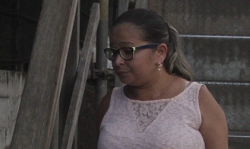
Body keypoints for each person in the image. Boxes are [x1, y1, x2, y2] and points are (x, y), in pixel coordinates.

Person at [97, 8, 228, 149]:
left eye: (127, 51)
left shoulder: (197, 100)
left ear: (160, 52)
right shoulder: (110, 103)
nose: (117, 61)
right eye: (114, 53)